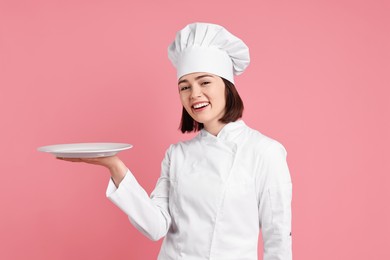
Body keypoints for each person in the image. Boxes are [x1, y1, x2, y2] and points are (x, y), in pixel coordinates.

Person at [58, 22, 293, 260]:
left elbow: (278, 240)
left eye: (204, 82)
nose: (194, 94)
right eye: (184, 87)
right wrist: (115, 166)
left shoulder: (264, 152)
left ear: (227, 86)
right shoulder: (177, 155)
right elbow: (155, 226)